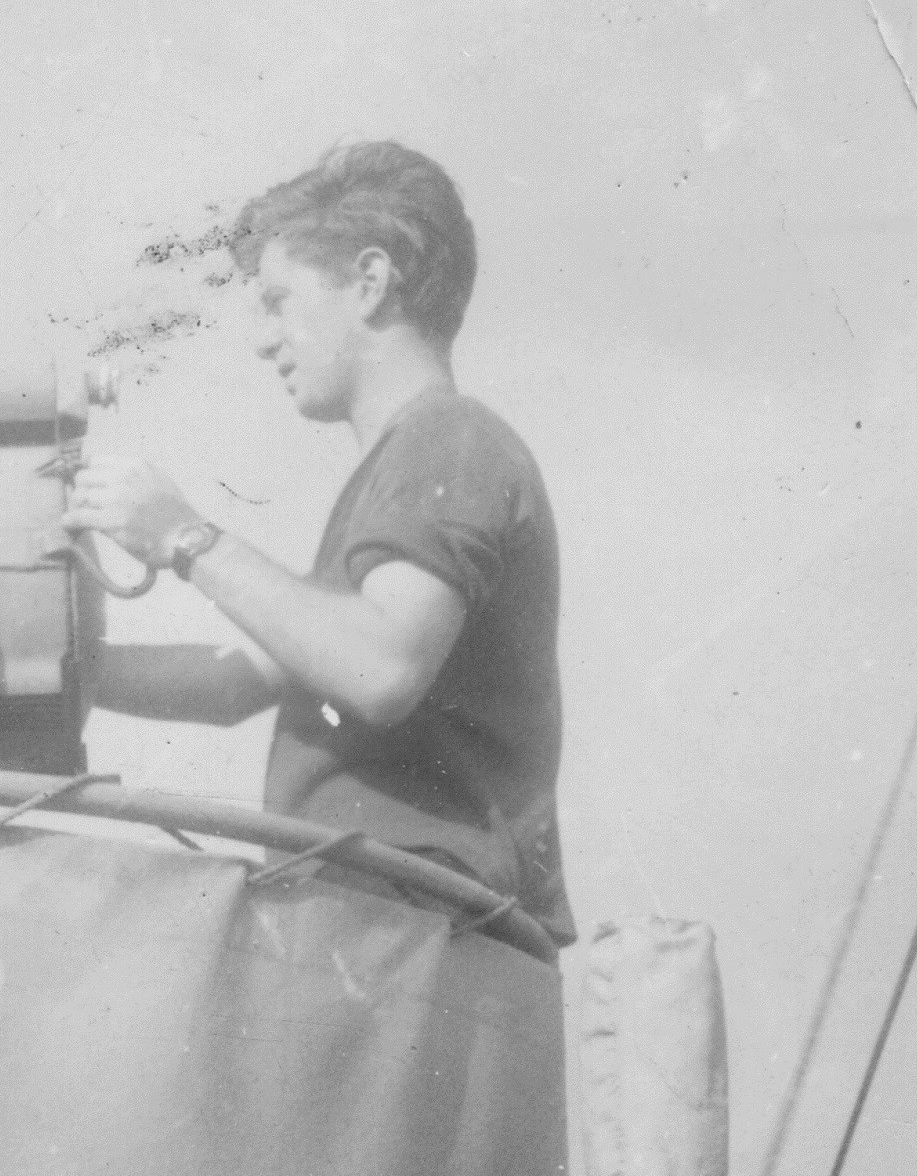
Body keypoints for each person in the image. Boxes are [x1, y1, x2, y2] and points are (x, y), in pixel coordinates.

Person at [62, 141, 575, 947]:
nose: (264, 339)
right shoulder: (409, 463)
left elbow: (380, 668)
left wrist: (185, 538)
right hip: (390, 920)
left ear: (370, 282)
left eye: (279, 300)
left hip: (412, 928)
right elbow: (236, 683)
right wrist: (47, 667)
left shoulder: (450, 437)